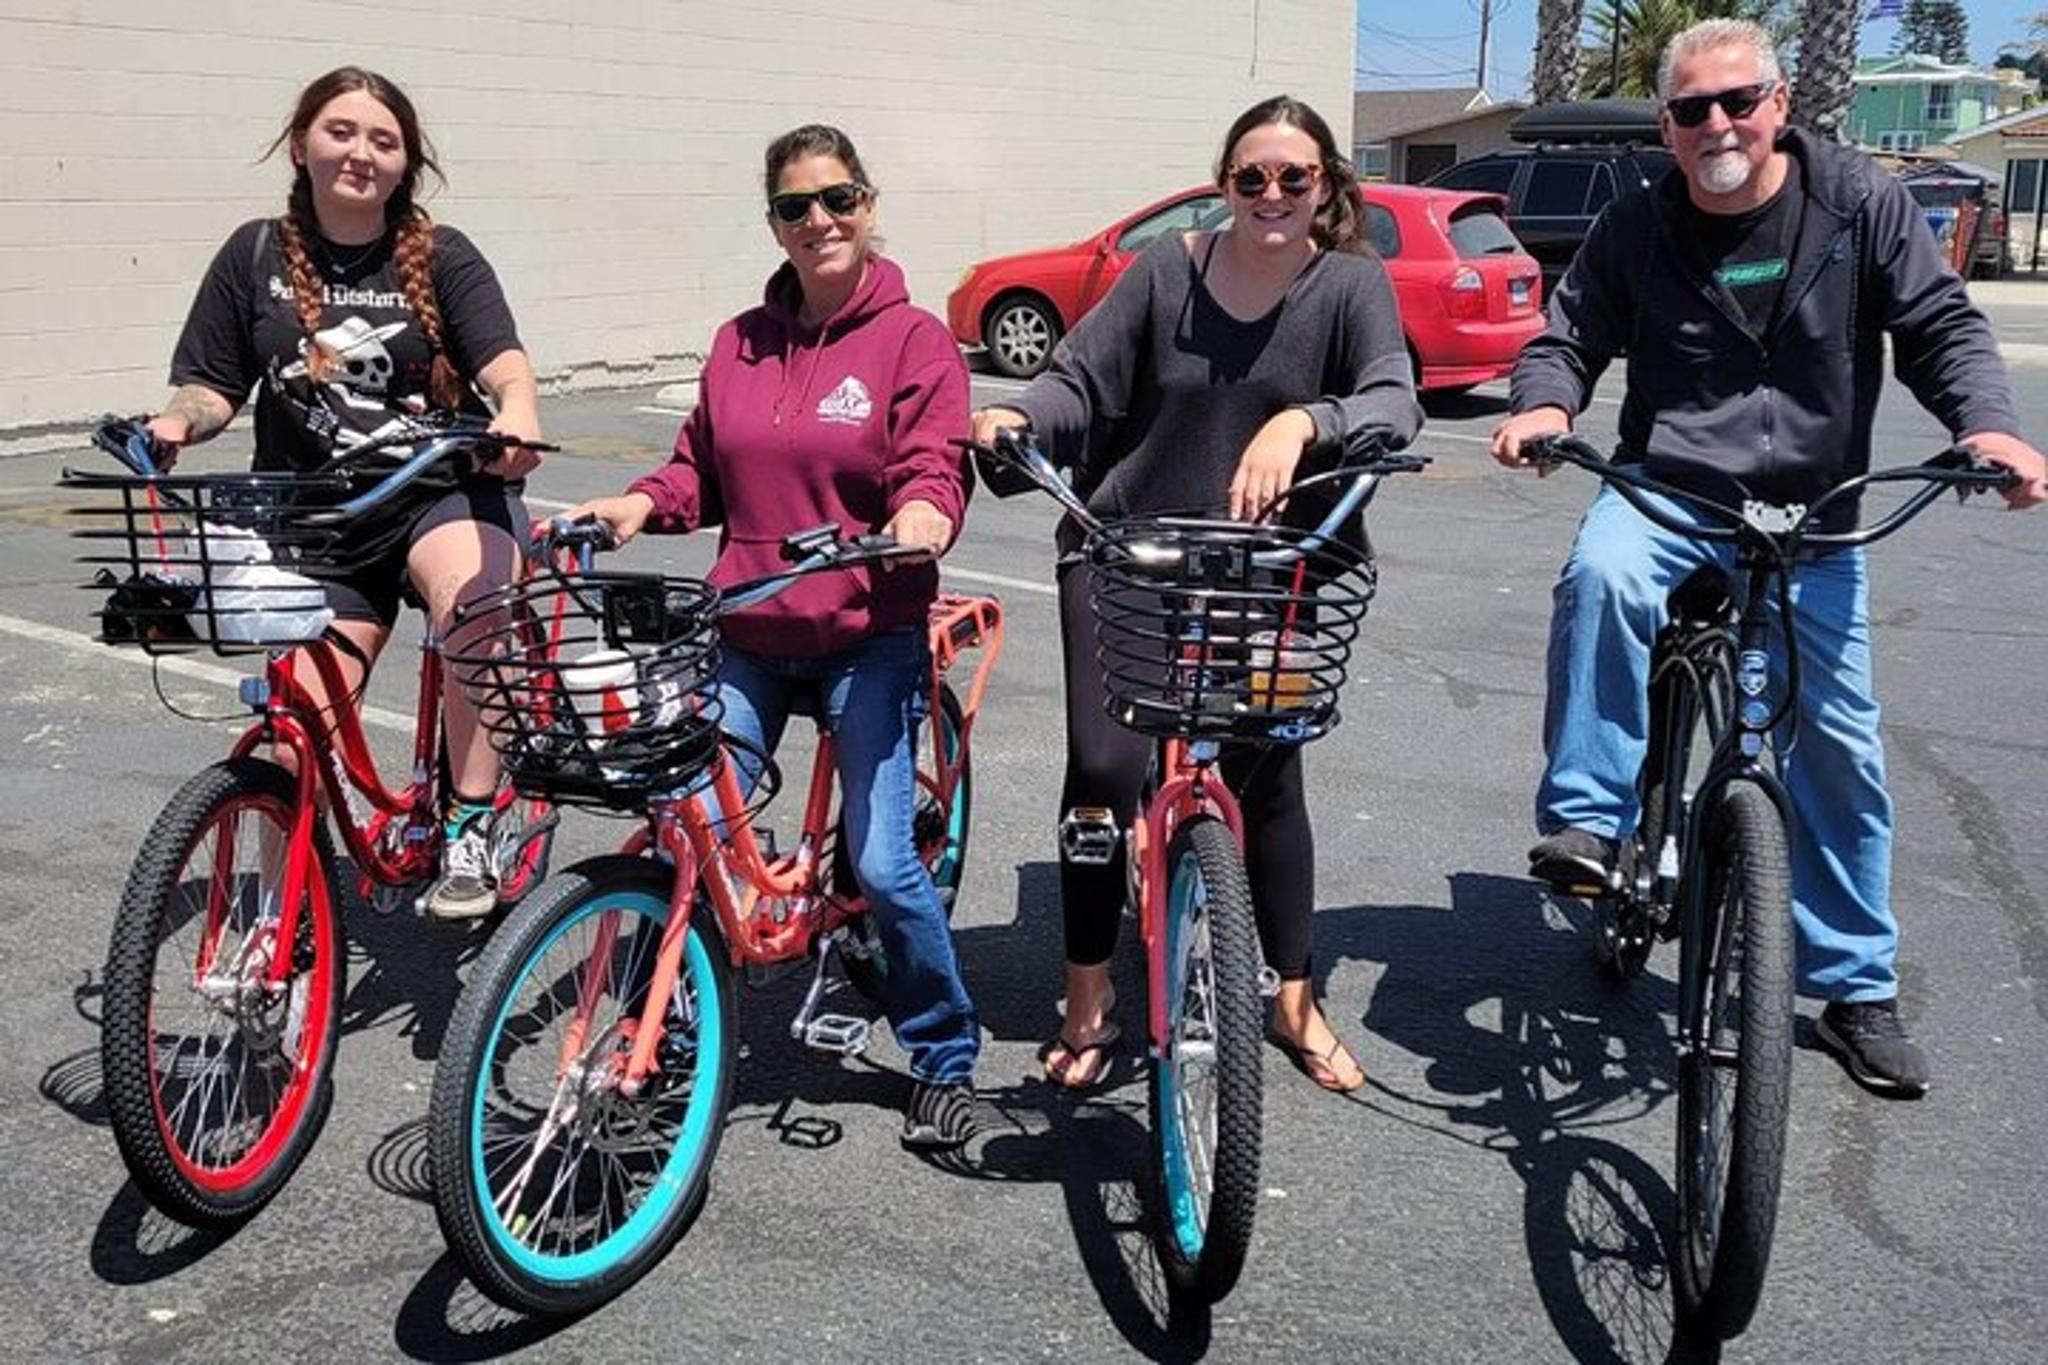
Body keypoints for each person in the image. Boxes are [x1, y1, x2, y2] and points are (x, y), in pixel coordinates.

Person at [1491, 19, 2048, 1097]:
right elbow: (1567, 335)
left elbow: (1938, 325)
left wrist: (1988, 427)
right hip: (1669, 489)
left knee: (1836, 745)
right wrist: (1544, 404)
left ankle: (1855, 988)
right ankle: (1590, 821)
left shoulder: (1859, 204)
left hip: (1812, 510)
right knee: (1602, 577)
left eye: (1738, 101)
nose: (1718, 124)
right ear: (1666, 127)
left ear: (1779, 104)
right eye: (1691, 109)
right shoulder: (1637, 224)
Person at [971, 95, 1423, 1093]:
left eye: (1293, 177)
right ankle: (1087, 990)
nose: (1271, 194)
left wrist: (1306, 422)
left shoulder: (1348, 285)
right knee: (1103, 768)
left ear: (1323, 187)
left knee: (1268, 773)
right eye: (1251, 177)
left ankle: (1293, 1000)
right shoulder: (1163, 272)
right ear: (1224, 184)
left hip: (1271, 566)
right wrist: (1018, 413)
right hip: (1130, 549)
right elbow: (1078, 381)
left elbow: (1393, 398)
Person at [568, 125, 982, 1149]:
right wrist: (635, 504)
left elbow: (933, 462)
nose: (819, 221)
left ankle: (942, 1051)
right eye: (796, 207)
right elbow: (697, 472)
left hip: (866, 628)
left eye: (837, 199)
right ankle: (661, 1024)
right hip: (748, 627)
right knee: (686, 821)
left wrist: (923, 512)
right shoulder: (736, 342)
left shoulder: (913, 340)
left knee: (880, 863)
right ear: (773, 223)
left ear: (868, 204)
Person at [145, 66, 545, 921]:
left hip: (433, 493)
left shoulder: (441, 255)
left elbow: (503, 362)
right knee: (292, 744)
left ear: (405, 164)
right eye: (341, 131)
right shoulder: (255, 254)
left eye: (383, 140)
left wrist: (516, 412)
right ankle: (276, 926)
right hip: (318, 521)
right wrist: (176, 422)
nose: (361, 152)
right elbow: (212, 385)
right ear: (301, 146)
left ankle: (471, 822)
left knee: (476, 604)